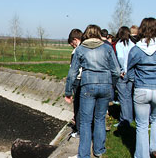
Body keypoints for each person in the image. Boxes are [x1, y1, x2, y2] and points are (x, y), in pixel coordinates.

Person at [65, 25, 120, 158]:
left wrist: (68, 92)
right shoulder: (107, 48)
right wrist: (112, 84)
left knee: (85, 121)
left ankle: (84, 154)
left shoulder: (81, 49)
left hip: (88, 86)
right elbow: (117, 71)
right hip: (105, 85)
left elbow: (72, 73)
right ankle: (99, 150)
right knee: (100, 119)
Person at [127, 17, 156, 158]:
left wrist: (134, 80)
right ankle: (154, 149)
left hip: (141, 89)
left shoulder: (136, 49)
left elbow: (130, 71)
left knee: (142, 125)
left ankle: (142, 155)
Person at [114, 26, 135, 128]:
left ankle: (124, 120)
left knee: (122, 98)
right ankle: (129, 118)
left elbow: (120, 58)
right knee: (128, 96)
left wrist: (122, 70)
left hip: (123, 73)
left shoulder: (119, 44)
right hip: (132, 73)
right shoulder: (133, 44)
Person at [67, 29, 83, 137]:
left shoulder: (76, 52)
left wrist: (68, 90)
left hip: (78, 80)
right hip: (90, 80)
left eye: (72, 44)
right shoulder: (88, 49)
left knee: (77, 106)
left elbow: (73, 71)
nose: (72, 46)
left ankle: (78, 130)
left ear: (75, 40)